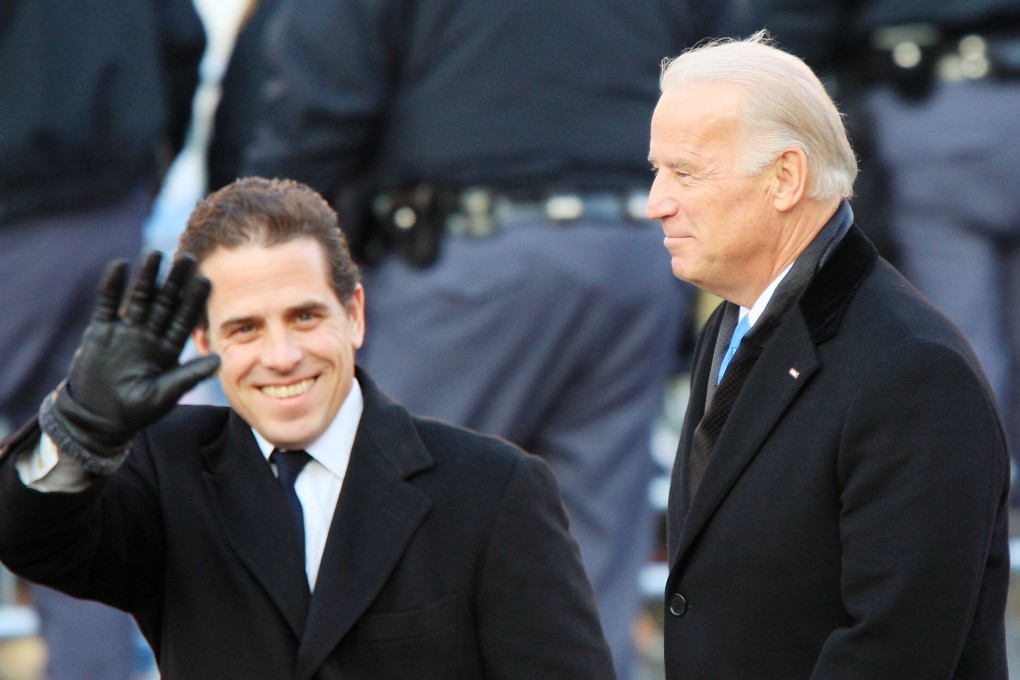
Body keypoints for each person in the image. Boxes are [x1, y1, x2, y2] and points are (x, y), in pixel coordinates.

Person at [239, 3, 731, 674]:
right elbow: (732, 60)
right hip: (630, 246)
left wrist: (259, 269)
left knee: (393, 544)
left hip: (472, 265)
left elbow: (319, 107)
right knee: (580, 570)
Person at [0, 176, 615, 680]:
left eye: (304, 316)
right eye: (245, 329)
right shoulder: (167, 467)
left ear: (354, 315)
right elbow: (27, 537)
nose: (282, 355)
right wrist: (81, 426)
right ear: (202, 340)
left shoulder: (492, 488)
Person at [646, 32, 1010, 678]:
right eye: (656, 171)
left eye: (685, 173)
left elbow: (890, 651)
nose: (657, 204)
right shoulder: (733, 323)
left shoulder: (914, 373)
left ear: (785, 178)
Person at [740, 0, 1020, 500]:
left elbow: (791, 26)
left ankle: (976, 498)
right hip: (954, 100)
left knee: (964, 330)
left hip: (936, 109)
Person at [0, 2, 205, 678]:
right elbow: (182, 39)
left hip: (24, 212)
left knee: (75, 470)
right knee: (72, 472)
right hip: (106, 212)